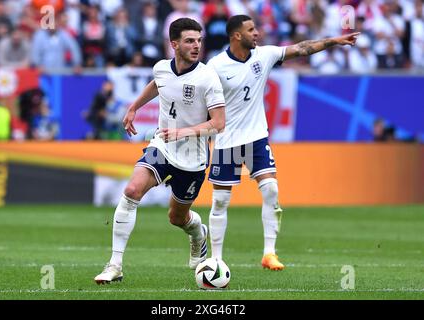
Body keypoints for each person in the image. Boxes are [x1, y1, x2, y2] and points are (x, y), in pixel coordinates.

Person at [206, 15, 359, 271]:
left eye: (256, 28)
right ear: (236, 36)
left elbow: (301, 48)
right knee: (220, 201)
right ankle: (217, 258)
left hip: (256, 137)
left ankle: (269, 253)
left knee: (271, 190)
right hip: (226, 141)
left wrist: (333, 40)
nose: (257, 33)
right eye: (251, 30)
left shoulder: (263, 55)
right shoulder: (215, 66)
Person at [94, 18, 226, 284]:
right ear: (174, 44)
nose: (196, 46)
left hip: (193, 159)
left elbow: (219, 123)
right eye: (190, 40)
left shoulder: (207, 77)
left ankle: (198, 233)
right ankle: (115, 265)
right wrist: (134, 107)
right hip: (162, 146)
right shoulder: (161, 68)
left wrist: (183, 132)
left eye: (199, 40)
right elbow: (157, 83)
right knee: (131, 192)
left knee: (177, 218)